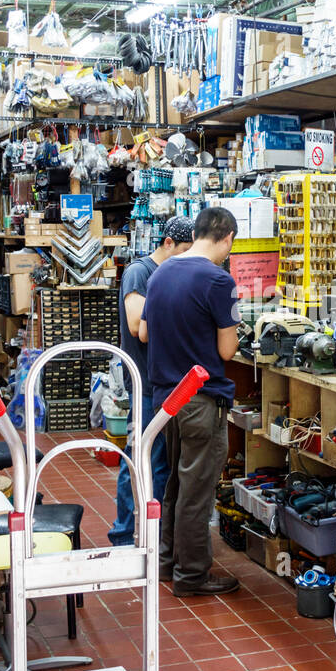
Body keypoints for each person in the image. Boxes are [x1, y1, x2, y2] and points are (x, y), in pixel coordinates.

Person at [140, 207, 241, 596]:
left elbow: (145, 333)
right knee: (197, 492)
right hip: (201, 399)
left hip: (167, 400)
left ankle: (166, 563)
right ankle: (192, 576)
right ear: (227, 238)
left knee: (176, 488)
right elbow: (228, 350)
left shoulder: (161, 271)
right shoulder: (220, 281)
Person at [109, 217, 195, 547]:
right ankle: (121, 534)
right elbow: (135, 324)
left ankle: (153, 533)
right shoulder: (139, 272)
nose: (187, 258)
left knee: (158, 461)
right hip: (144, 381)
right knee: (137, 457)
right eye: (185, 250)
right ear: (168, 243)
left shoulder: (172, 275)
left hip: (163, 383)